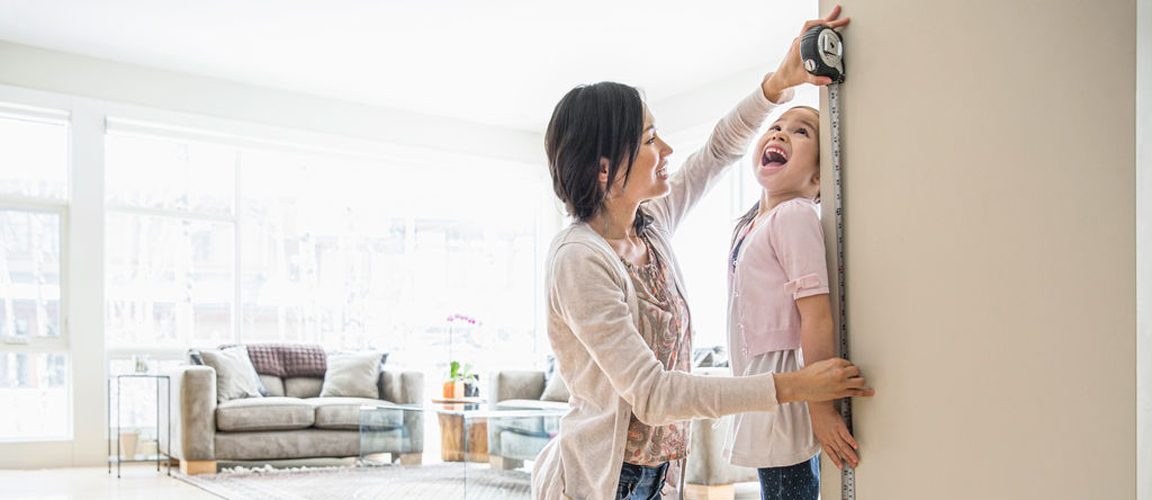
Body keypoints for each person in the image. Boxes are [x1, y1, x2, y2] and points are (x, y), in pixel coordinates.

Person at [534, 8, 867, 500]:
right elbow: (655, 394)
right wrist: (795, 387)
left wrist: (777, 84)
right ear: (605, 170)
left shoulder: (651, 227)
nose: (666, 148)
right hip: (604, 483)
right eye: (650, 139)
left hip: (661, 476)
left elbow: (716, 151)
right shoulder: (579, 260)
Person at [723, 104, 855, 500]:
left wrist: (821, 409)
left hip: (789, 394)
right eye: (776, 126)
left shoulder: (795, 216)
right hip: (765, 387)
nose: (780, 134)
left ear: (817, 178)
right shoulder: (749, 224)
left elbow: (816, 314)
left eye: (801, 132)